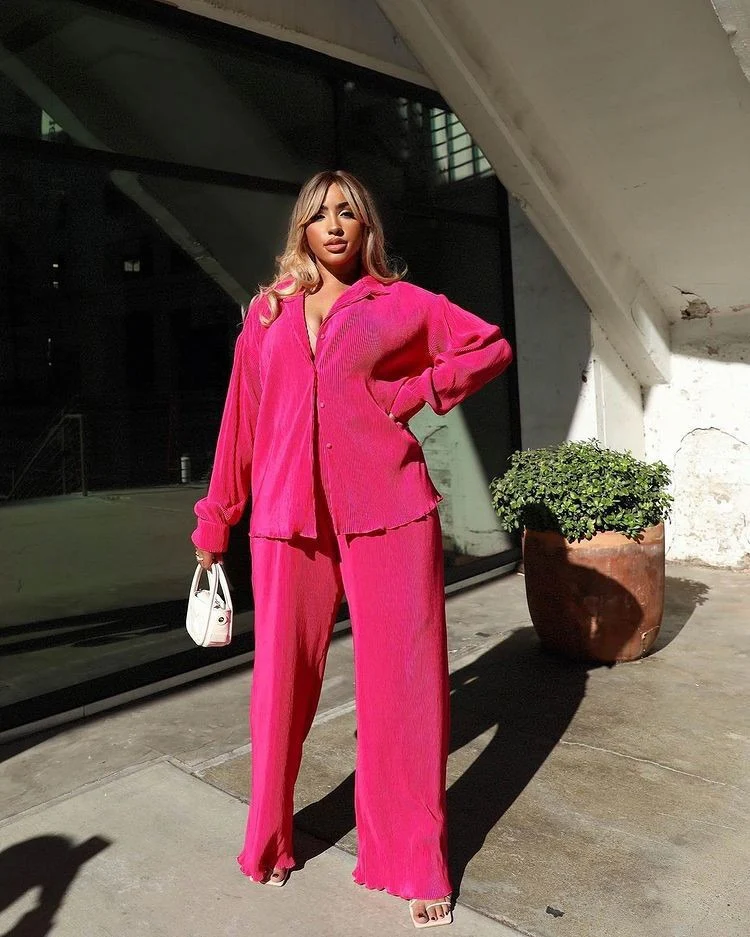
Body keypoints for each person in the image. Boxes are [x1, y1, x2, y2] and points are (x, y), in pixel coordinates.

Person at [191, 169, 513, 929]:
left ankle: (412, 859)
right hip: (286, 519)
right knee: (279, 687)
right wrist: (215, 523)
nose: (333, 225)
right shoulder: (268, 313)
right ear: (301, 229)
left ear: (367, 226)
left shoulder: (401, 303)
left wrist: (412, 393)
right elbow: (240, 423)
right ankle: (269, 840)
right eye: (319, 214)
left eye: (347, 212)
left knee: (404, 688)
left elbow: (488, 346)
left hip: (389, 509)